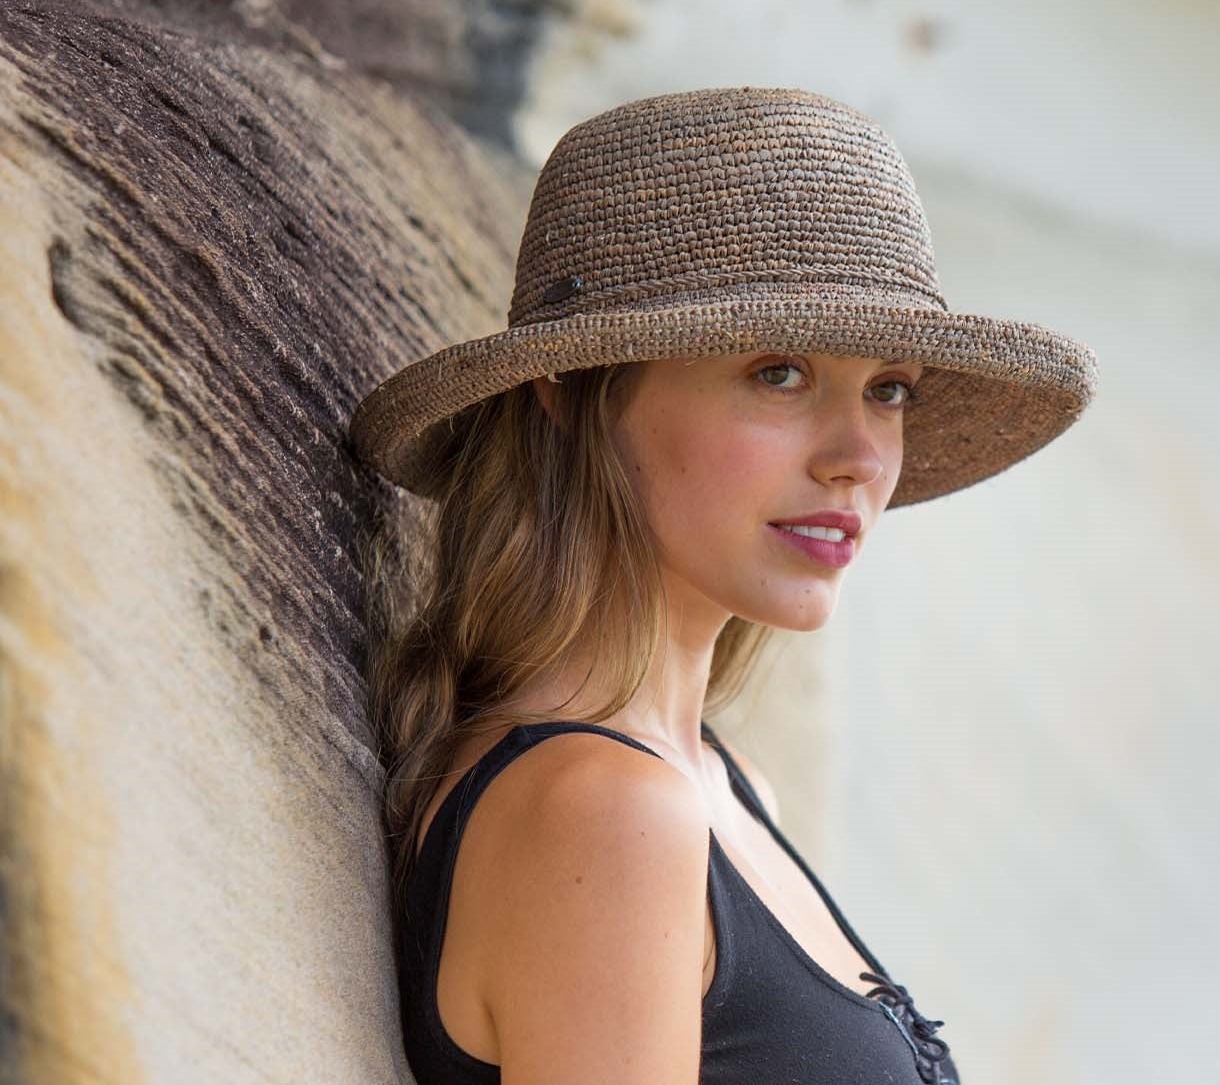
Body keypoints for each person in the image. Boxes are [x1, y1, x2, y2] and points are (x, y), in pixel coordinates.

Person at [346, 87, 1098, 1084]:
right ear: (572, 396)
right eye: (777, 372)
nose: (856, 457)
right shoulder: (604, 812)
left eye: (887, 389)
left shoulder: (716, 780)